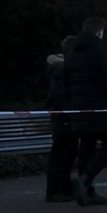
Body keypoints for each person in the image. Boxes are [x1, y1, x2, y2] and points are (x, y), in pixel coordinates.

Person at [59, 19, 107, 206]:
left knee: (87, 146)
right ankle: (85, 180)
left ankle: (87, 191)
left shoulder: (72, 53)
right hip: (101, 109)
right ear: (99, 32)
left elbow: (67, 82)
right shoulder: (101, 52)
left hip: (80, 109)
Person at [42, 37, 76, 203]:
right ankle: (55, 190)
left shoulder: (61, 70)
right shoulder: (62, 72)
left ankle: (63, 186)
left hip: (64, 115)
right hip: (63, 116)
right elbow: (58, 95)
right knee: (61, 153)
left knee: (67, 153)